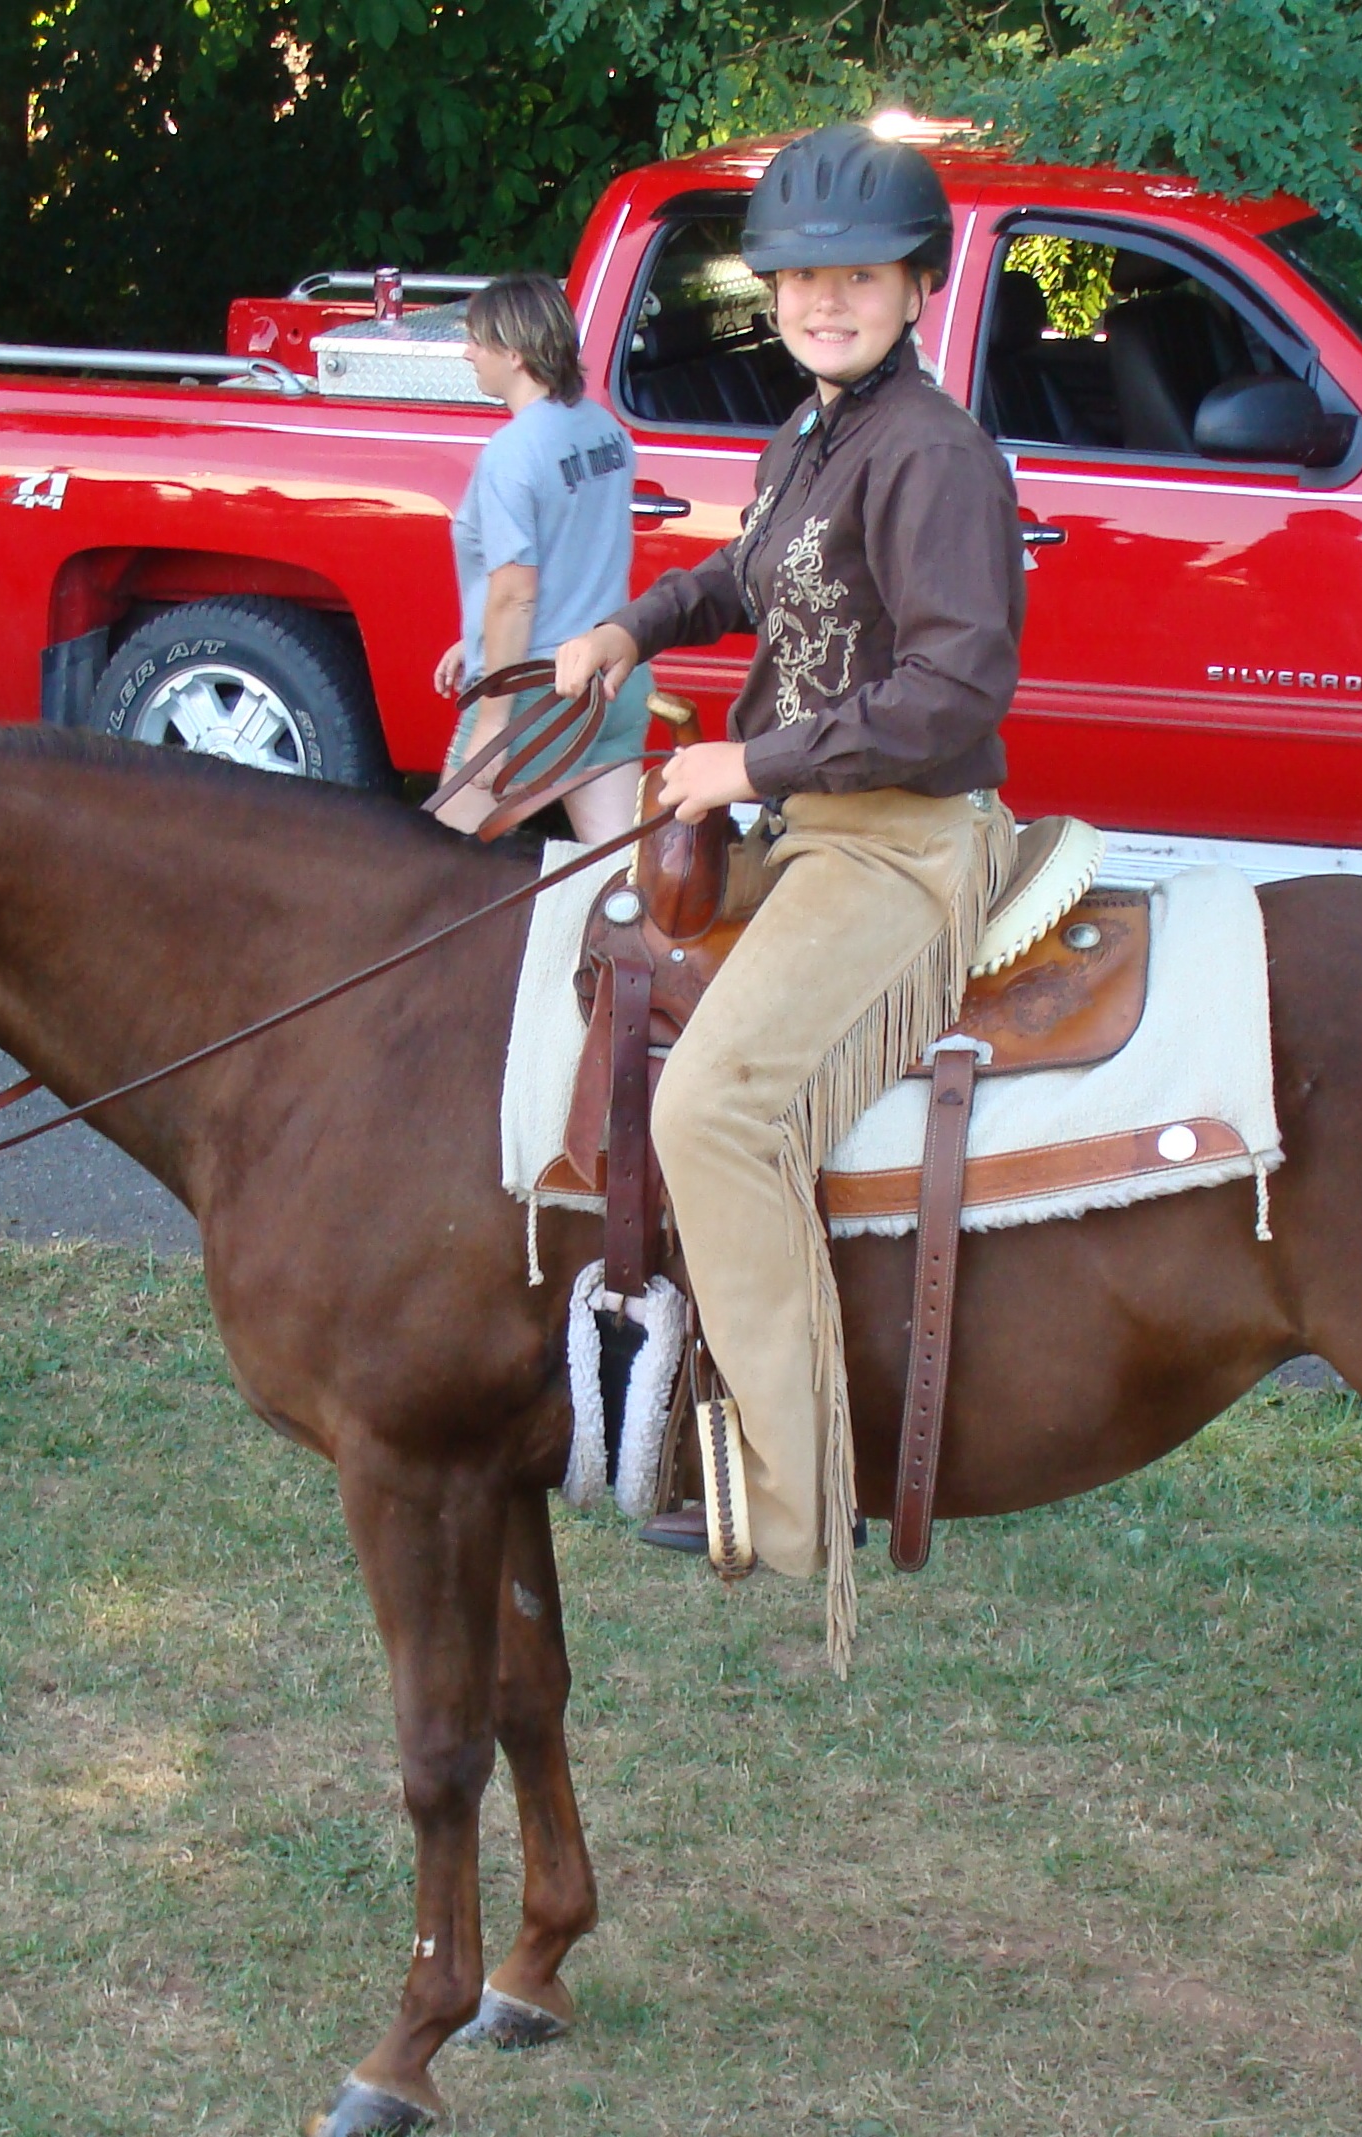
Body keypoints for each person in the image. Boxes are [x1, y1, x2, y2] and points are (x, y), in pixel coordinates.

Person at [554, 124, 1024, 1665]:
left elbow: (954, 693)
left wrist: (743, 768)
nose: (825, 300)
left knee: (713, 1111)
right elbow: (749, 579)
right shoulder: (808, 434)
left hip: (894, 841)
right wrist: (630, 624)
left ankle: (796, 1489)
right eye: (801, 278)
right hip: (809, 809)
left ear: (909, 284)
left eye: (855, 277)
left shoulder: (935, 454)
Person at [432, 272, 651, 844]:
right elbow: (576, 548)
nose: (467, 352)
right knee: (617, 880)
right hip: (616, 677)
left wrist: (494, 719)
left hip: (539, 693)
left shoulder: (511, 454)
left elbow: (516, 593)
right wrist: (476, 636)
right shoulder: (606, 430)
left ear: (514, 351)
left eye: (478, 340)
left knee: (437, 874)